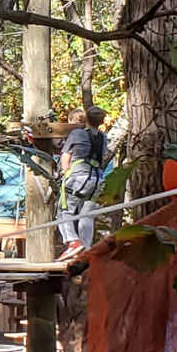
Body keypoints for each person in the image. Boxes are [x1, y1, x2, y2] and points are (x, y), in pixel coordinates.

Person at [57, 105, 109, 260]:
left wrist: (65, 172)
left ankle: (72, 242)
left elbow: (65, 156)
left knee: (64, 210)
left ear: (86, 118)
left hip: (79, 176)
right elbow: (102, 156)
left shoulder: (76, 133)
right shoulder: (103, 137)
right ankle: (86, 250)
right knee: (87, 215)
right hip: (97, 179)